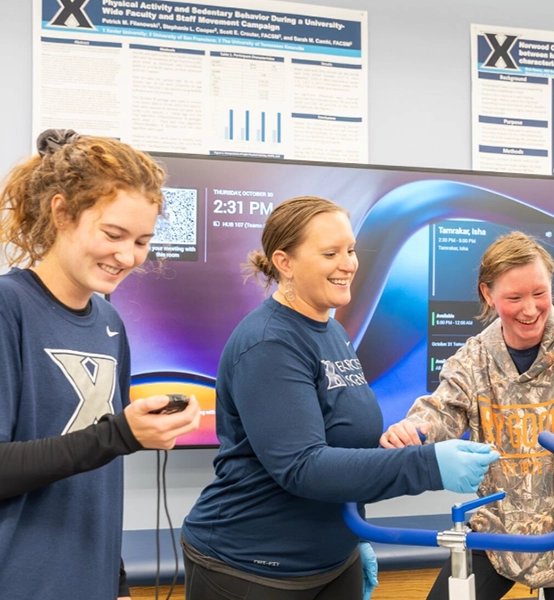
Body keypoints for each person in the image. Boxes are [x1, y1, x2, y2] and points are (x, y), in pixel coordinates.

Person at [180, 195, 500, 600]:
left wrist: (354, 532)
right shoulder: (268, 344)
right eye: (331, 253)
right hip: (252, 568)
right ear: (285, 263)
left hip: (332, 561)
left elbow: (344, 442)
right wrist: (428, 466)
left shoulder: (331, 331)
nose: (348, 263)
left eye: (350, 250)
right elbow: (303, 466)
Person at [0, 129, 202, 600]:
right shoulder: (9, 309)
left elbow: (95, 477)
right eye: (113, 235)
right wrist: (121, 435)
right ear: (62, 212)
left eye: (142, 241)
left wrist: (117, 582)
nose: (127, 256)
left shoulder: (109, 322)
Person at [382, 231, 554, 600]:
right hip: (497, 534)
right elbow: (442, 408)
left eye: (540, 293)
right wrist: (412, 429)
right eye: (514, 297)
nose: (530, 309)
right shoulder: (473, 358)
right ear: (487, 295)